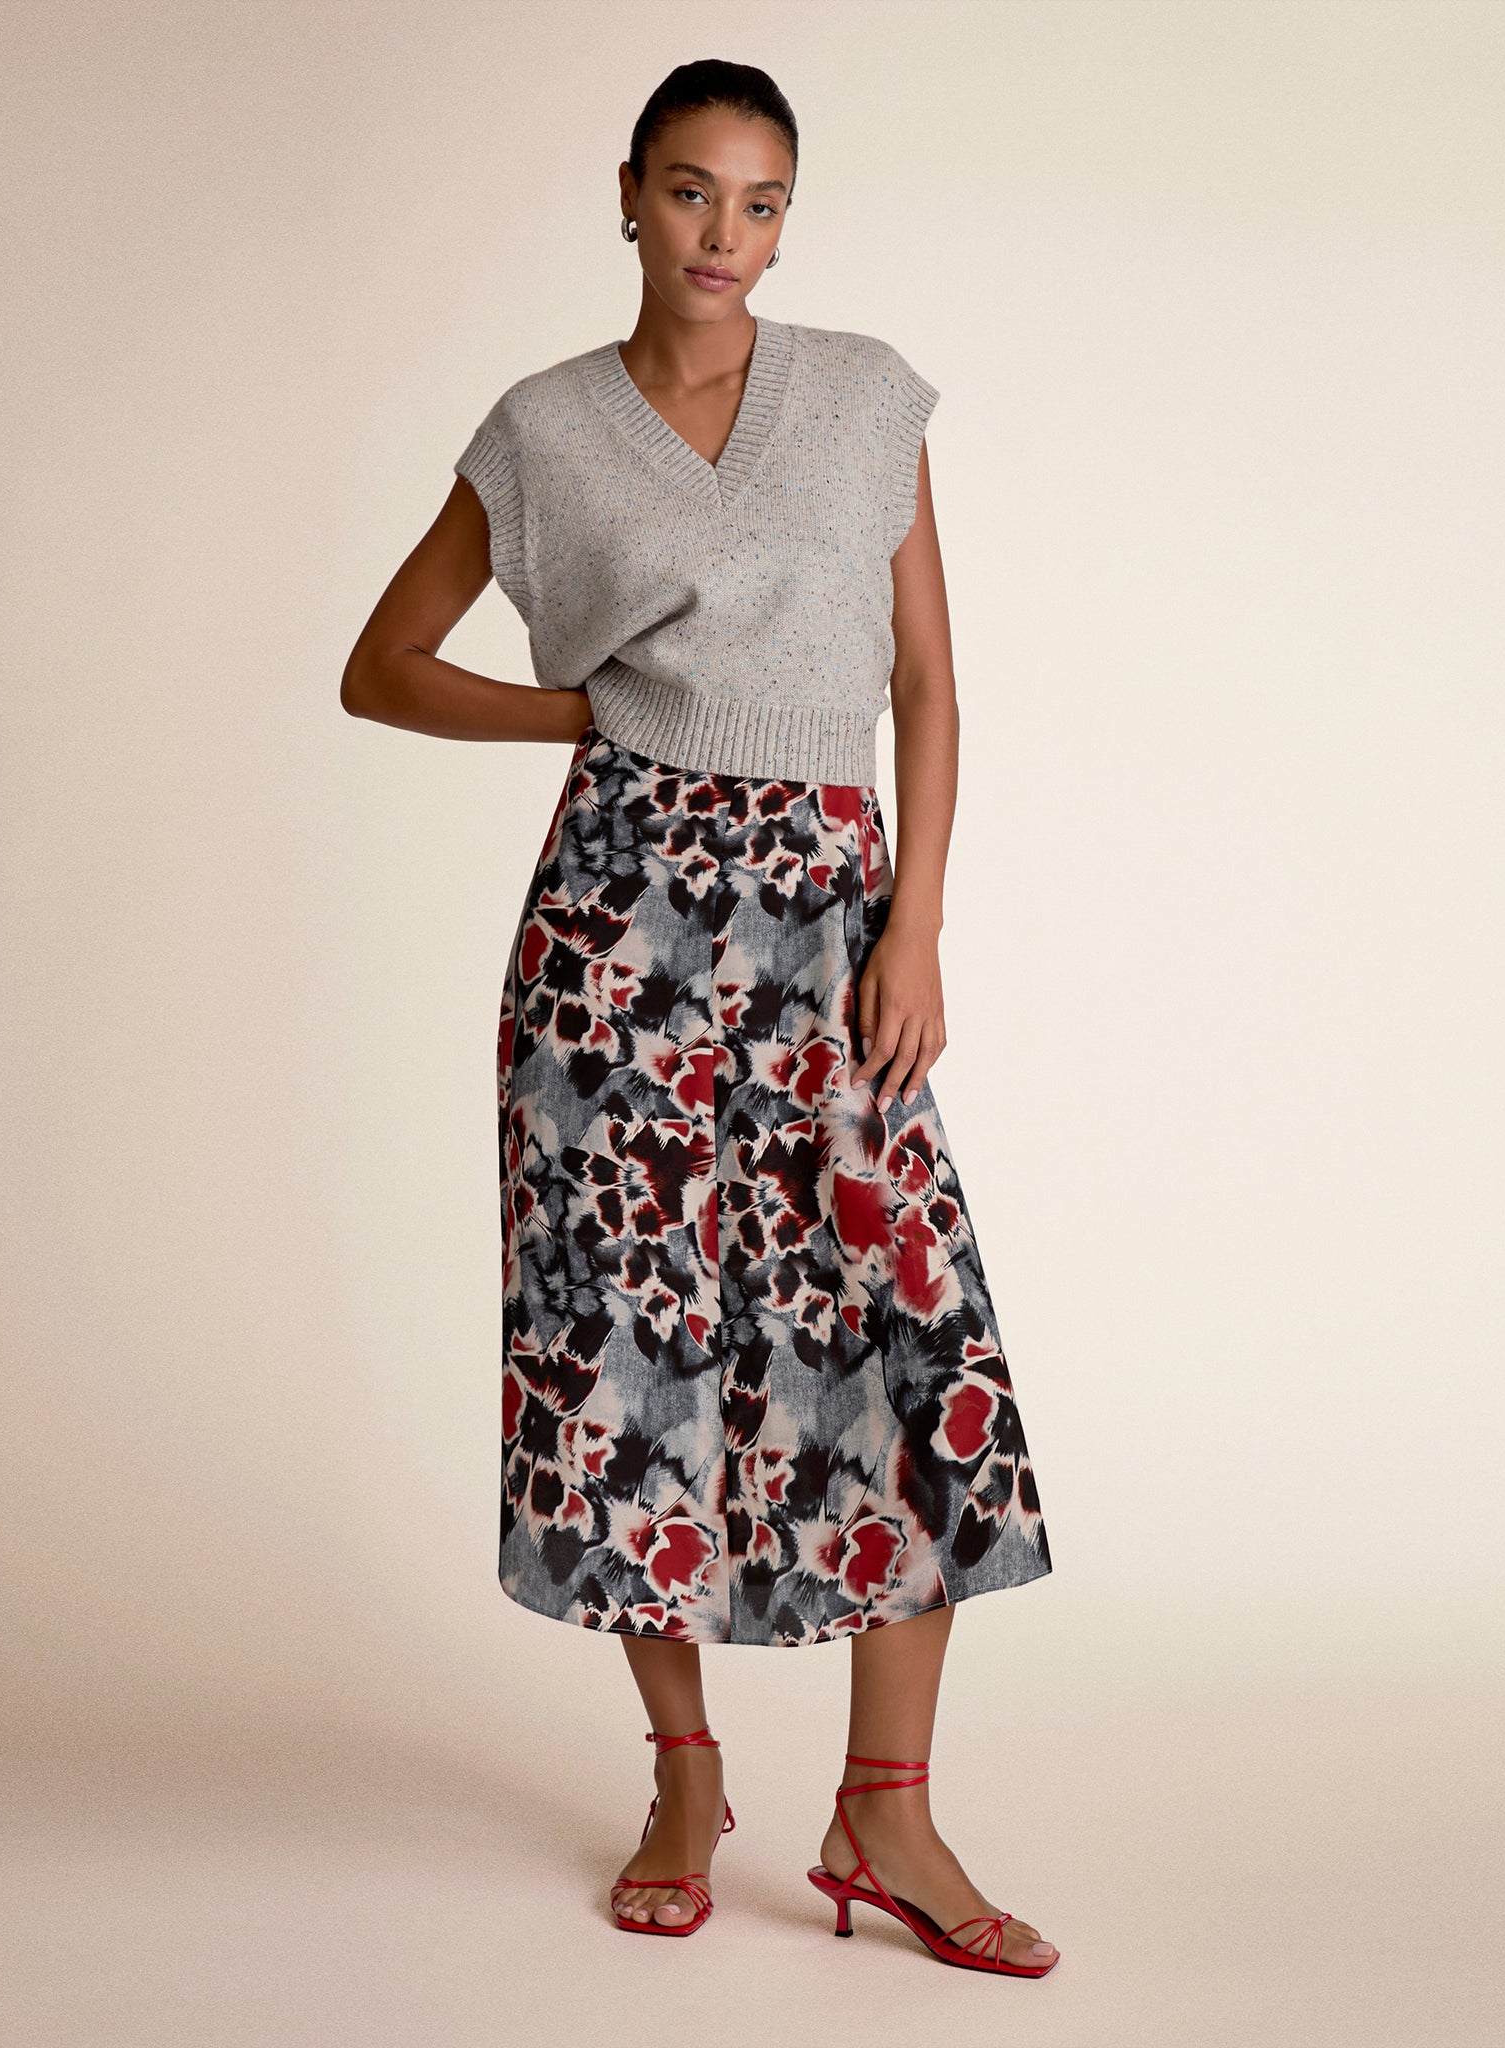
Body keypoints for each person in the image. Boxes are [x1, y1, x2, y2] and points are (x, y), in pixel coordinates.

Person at [342, 58, 1058, 1979]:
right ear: (632, 199)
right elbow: (380, 669)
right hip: (617, 930)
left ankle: (884, 1812)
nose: (723, 237)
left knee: (911, 1334)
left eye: (759, 203)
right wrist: (578, 712)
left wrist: (919, 921)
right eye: (689, 193)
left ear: (784, 220)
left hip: (832, 914)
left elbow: (927, 677)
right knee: (629, 1356)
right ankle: (682, 1777)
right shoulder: (549, 432)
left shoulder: (866, 400)